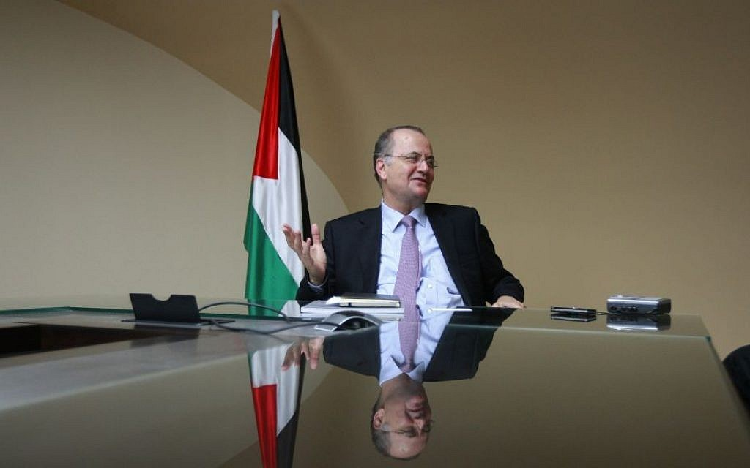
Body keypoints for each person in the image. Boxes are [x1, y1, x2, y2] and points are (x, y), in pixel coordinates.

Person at [282, 125, 524, 309]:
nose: (425, 168)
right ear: (382, 168)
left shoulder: (463, 224)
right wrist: (317, 279)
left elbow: (502, 282)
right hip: (372, 350)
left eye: (430, 162)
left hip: (454, 352)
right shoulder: (344, 234)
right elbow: (308, 308)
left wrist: (507, 298)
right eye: (412, 158)